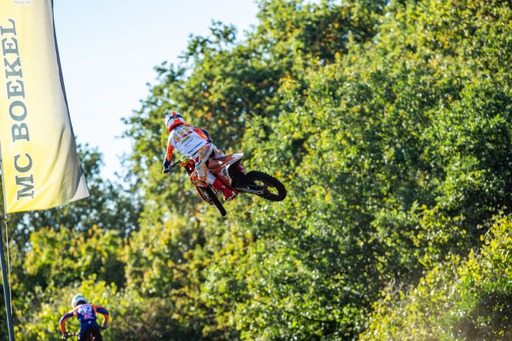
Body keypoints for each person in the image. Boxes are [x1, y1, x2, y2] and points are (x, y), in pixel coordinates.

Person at [162, 111, 237, 201]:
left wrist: (166, 167)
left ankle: (227, 191)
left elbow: (168, 155)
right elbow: (203, 131)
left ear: (168, 123)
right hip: (209, 147)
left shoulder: (171, 138)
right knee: (224, 159)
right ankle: (239, 169)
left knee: (203, 176)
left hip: (198, 156)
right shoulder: (188, 126)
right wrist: (208, 140)